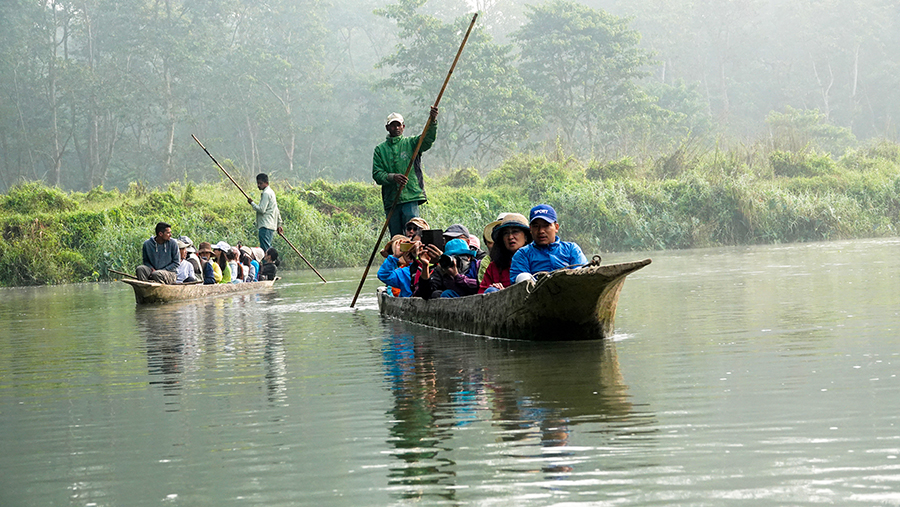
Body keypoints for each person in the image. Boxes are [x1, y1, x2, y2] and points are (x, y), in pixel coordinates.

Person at [372, 106, 439, 236]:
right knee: (397, 237)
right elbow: (377, 174)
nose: (396, 128)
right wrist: (392, 177)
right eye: (393, 125)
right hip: (392, 200)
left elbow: (427, 139)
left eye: (398, 125)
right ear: (387, 128)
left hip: (410, 197)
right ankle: (396, 257)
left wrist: (432, 121)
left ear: (403, 127)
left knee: (414, 234)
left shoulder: (412, 143)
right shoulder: (380, 150)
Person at [510, 204, 588, 283]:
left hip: (570, 289)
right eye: (536, 226)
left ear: (556, 227)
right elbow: (517, 283)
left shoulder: (571, 249)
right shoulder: (523, 254)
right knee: (522, 276)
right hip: (535, 293)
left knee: (580, 272)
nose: (541, 231)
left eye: (546, 226)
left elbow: (582, 273)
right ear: (530, 229)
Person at [479, 213, 531, 293]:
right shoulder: (494, 267)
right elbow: (481, 295)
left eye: (515, 232)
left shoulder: (536, 259)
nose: (510, 237)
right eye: (506, 233)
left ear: (526, 237)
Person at [248, 173, 283, 252]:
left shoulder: (266, 193)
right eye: (257, 183)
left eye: (260, 183)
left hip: (265, 225)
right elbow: (276, 210)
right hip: (270, 226)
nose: (258, 185)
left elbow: (261, 209)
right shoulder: (271, 192)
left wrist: (252, 203)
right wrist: (279, 224)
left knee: (265, 250)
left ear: (266, 183)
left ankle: (268, 264)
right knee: (267, 248)